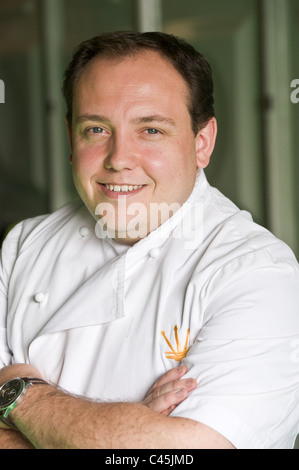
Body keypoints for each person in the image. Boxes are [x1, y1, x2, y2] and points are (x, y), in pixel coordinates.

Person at [0, 31, 298, 449]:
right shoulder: (24, 246)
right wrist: (127, 432)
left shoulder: (259, 273)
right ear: (71, 138)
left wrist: (18, 392)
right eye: (97, 129)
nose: (119, 158)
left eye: (152, 130)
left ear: (202, 143)